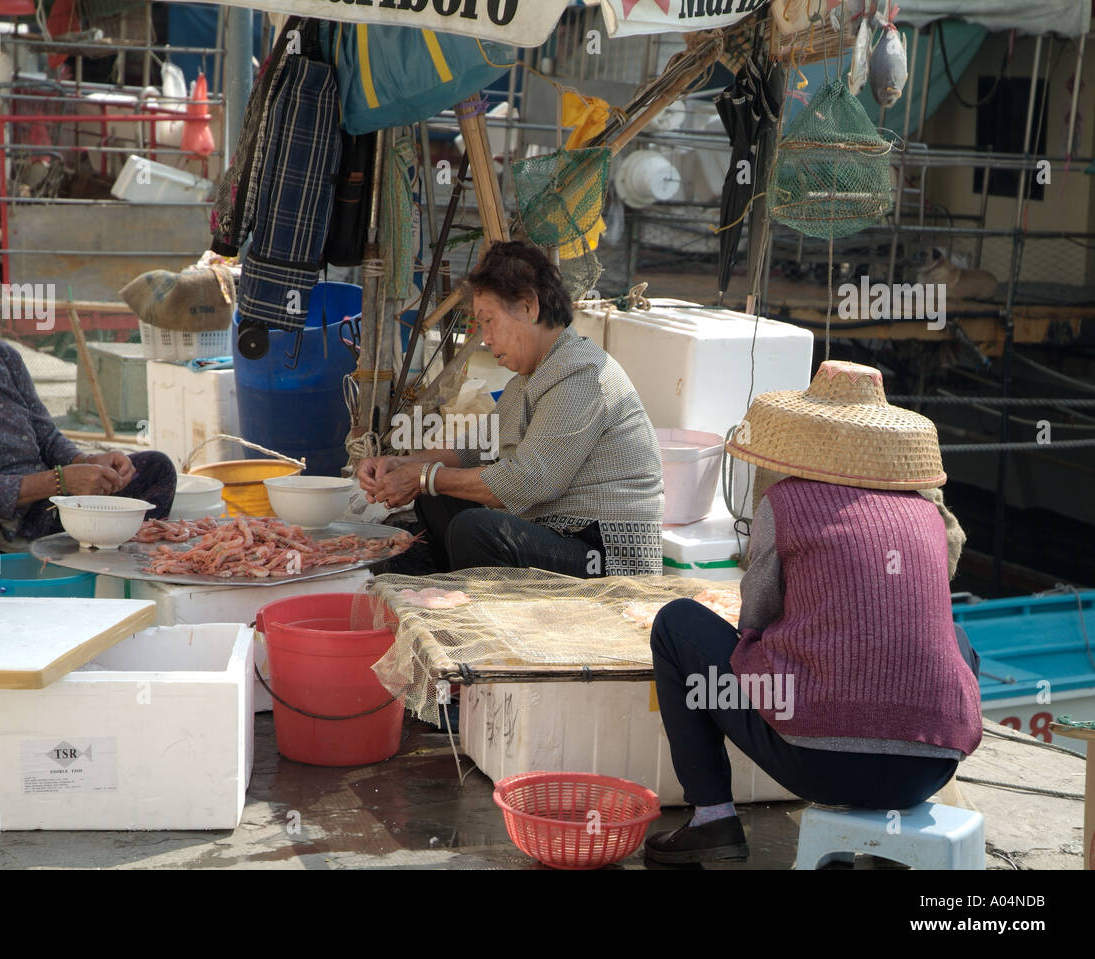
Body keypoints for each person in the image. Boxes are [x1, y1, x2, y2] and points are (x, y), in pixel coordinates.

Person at [645, 360, 982, 866]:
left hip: (817, 762)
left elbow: (753, 623)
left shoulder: (786, 503)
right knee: (954, 634)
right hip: (929, 769)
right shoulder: (928, 516)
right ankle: (886, 835)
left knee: (676, 623)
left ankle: (712, 818)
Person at [357, 241, 666, 576]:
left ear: (528, 307)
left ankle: (465, 610)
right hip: (561, 533)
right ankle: (435, 589)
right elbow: (476, 447)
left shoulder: (583, 375)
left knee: (476, 529)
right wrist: (404, 464)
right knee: (437, 499)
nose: (485, 338)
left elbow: (526, 481)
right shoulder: (531, 378)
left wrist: (423, 476)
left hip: (606, 554)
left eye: (489, 321)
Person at [0, 259, 176, 600]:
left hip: (40, 515)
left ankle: (102, 577)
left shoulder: (5, 360)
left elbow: (45, 434)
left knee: (156, 469)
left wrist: (88, 461)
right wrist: (61, 480)